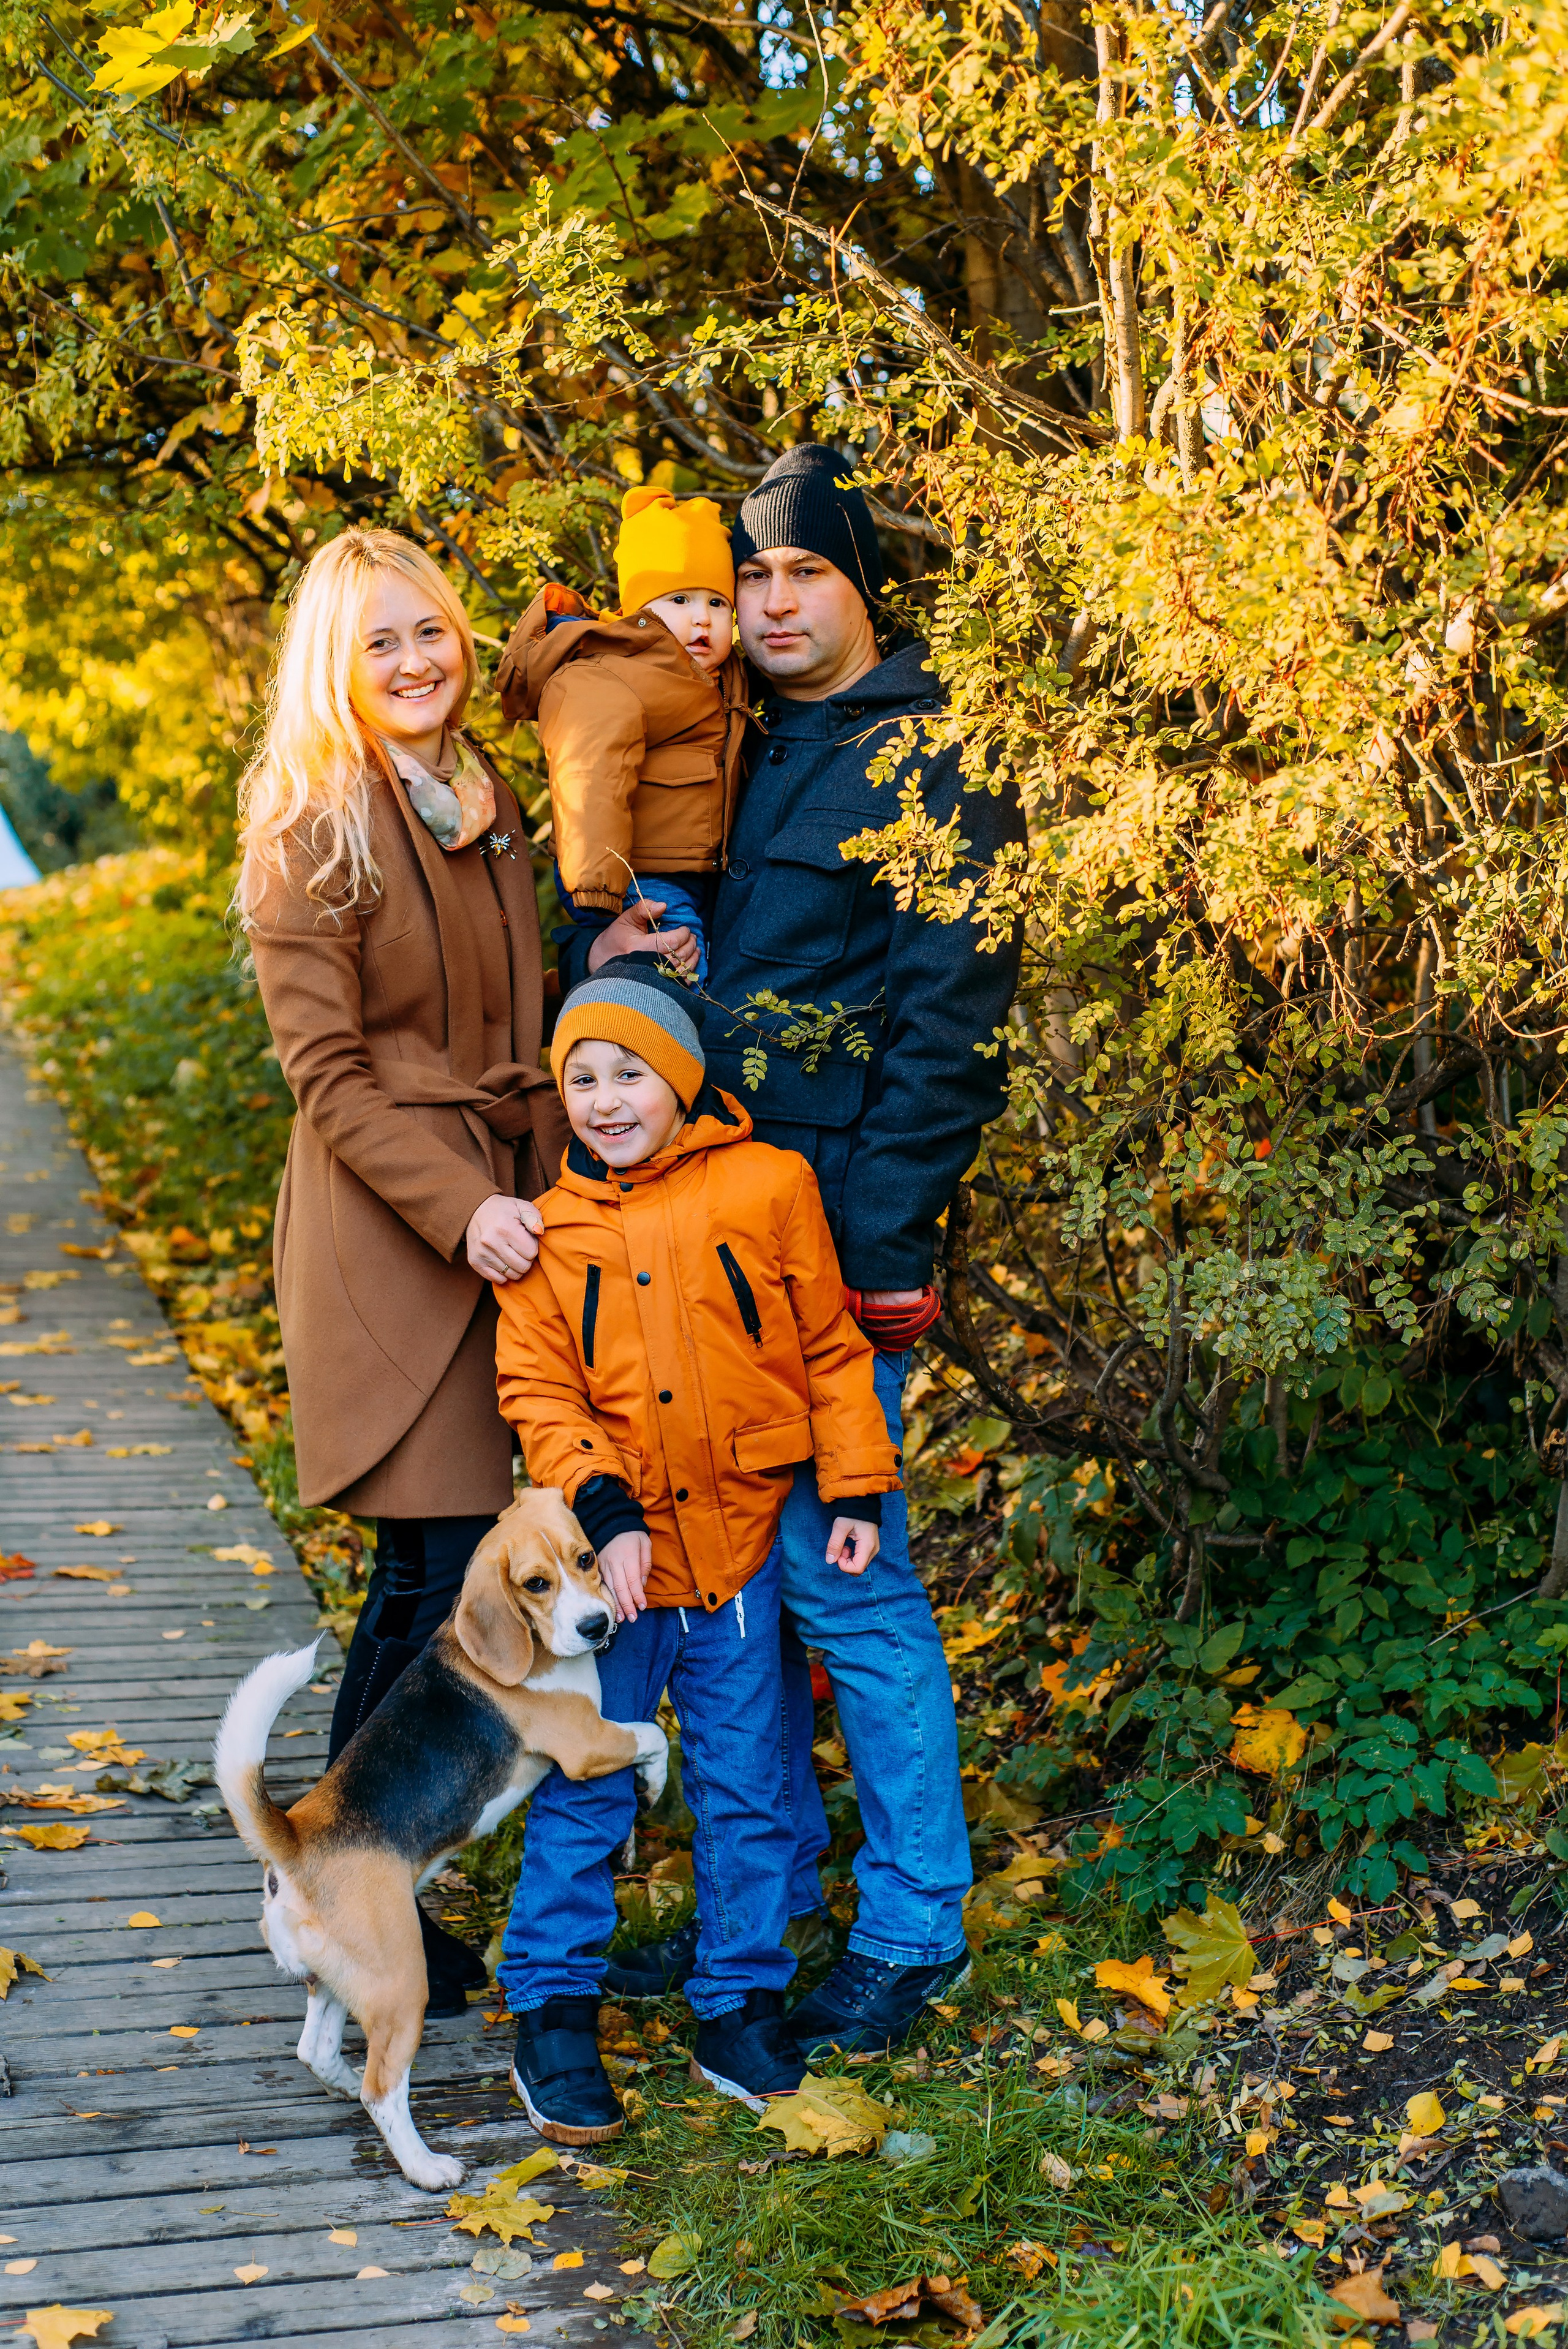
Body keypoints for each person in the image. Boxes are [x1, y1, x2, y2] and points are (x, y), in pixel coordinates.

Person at [560, 446, 1027, 2054]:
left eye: (800, 574)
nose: (768, 602)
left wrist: (890, 1240)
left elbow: (950, 1028)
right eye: (751, 577)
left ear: (859, 587)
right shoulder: (753, 740)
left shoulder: (931, 756)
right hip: (701, 1250)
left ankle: (911, 1928)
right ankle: (764, 1906)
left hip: (830, 1263)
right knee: (728, 1600)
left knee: (854, 1597)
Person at [234, 526, 568, 2016]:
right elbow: (330, 1072)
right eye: (380, 642)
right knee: (434, 1559)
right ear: (334, 665)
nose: (419, 661)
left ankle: (340, 1868)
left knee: (427, 1566)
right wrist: (462, 1209)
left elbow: (520, 1006)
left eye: (430, 631)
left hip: (510, 1197)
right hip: (396, 1225)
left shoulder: (483, 799)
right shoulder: (309, 823)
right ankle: (342, 1879)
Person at [491, 960, 899, 2136]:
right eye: (581, 1079)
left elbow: (828, 1348)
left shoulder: (767, 1187)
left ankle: (739, 1997)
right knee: (587, 1784)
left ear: (680, 1082)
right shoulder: (548, 1233)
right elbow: (538, 1389)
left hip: (738, 1559)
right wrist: (606, 1511)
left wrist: (857, 1485)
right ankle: (554, 2007)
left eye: (631, 1074)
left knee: (748, 1781)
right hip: (609, 1581)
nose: (606, 1099)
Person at [496, 487, 750, 981]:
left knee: (699, 965)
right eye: (680, 599)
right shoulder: (615, 674)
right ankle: (657, 1051)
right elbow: (591, 774)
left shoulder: (723, 676)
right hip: (634, 877)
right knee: (680, 972)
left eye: (717, 603)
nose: (702, 617)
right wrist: (595, 889)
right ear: (640, 611)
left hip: (695, 872)